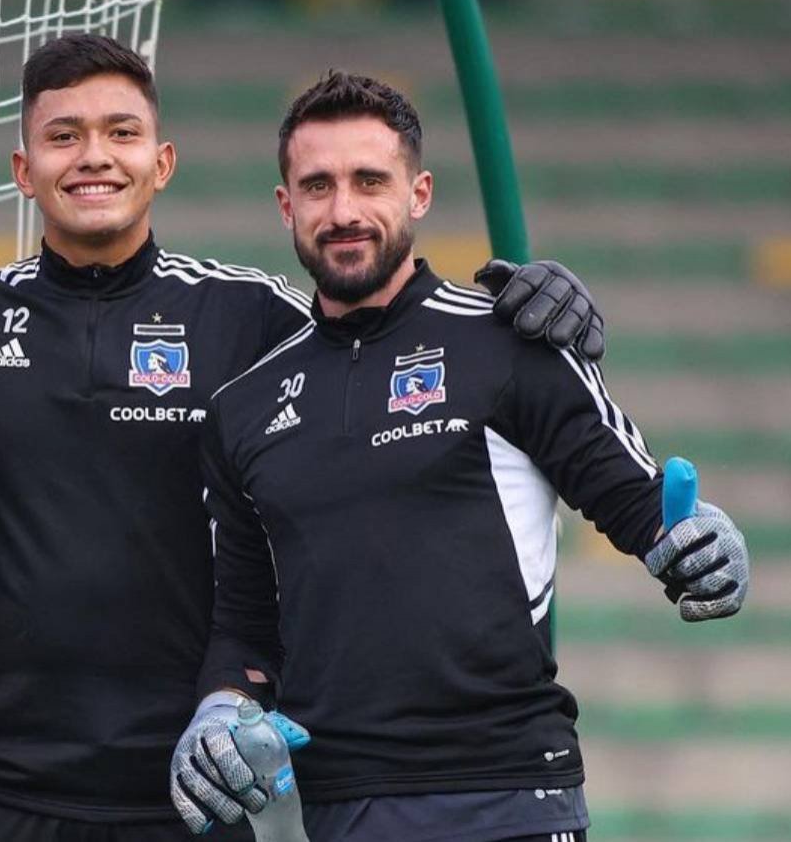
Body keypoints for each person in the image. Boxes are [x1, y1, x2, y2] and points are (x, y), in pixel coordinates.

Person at [0, 36, 609, 840]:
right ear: (23, 168)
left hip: (197, 790)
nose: (94, 157)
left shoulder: (254, 321)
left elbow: (382, 322)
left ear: (162, 162)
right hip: (1, 793)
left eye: (122, 132)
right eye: (64, 135)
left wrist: (532, 295)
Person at [170, 72, 750, 842]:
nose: (344, 210)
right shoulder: (244, 407)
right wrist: (222, 708)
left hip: (511, 794)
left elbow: (646, 507)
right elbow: (244, 626)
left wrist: (705, 542)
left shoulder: (511, 346)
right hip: (343, 808)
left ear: (419, 193)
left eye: (369, 181)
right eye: (318, 186)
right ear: (287, 206)